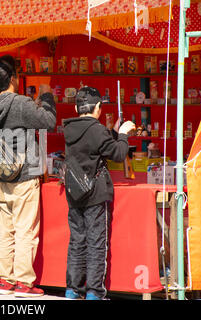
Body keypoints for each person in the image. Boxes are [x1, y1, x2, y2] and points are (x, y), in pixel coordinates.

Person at [0, 55, 56, 298]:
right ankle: (24, 283)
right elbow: (49, 121)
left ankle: (5, 280)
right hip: (24, 174)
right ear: (13, 78)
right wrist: (46, 97)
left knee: (6, 229)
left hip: (2, 174)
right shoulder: (21, 103)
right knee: (26, 229)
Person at [63, 86, 135, 300]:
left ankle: (72, 289)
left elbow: (94, 148)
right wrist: (122, 135)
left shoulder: (70, 128)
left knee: (77, 241)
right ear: (98, 108)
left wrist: (112, 133)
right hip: (95, 194)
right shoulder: (95, 129)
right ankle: (94, 292)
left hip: (75, 192)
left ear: (77, 108)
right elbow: (118, 153)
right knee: (96, 242)